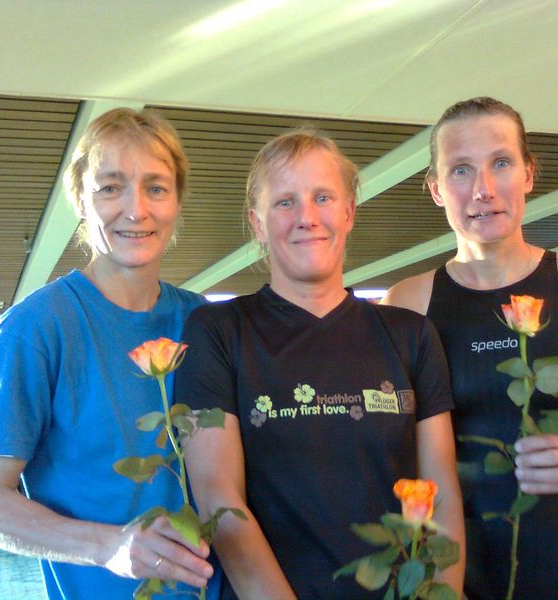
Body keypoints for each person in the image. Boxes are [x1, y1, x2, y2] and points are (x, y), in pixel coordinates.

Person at [383, 97, 558, 600]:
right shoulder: (406, 303)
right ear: (436, 189)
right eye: (461, 169)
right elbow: (395, 452)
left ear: (529, 174)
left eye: (501, 163)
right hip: (455, 572)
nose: (483, 189)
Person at [175, 128, 465, 599]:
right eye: (284, 202)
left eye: (323, 197)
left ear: (348, 211)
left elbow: (441, 492)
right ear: (257, 224)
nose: (307, 217)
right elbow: (218, 500)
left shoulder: (410, 335)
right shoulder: (217, 331)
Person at [0, 108, 218, 600]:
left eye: (156, 188)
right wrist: (109, 546)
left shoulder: (204, 321)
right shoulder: (35, 329)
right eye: (110, 187)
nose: (135, 210)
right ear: (81, 201)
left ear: (176, 201)